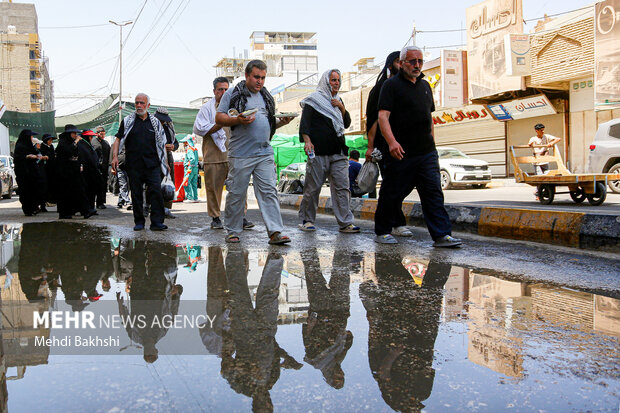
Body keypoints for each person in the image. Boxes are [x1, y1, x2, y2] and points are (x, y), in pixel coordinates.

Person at [374, 45, 462, 247]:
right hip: (401, 152)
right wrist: (392, 142)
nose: (417, 65)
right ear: (402, 62)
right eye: (412, 61)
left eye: (420, 61)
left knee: (433, 193)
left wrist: (432, 142)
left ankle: (441, 235)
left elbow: (429, 118)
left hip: (426, 153)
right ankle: (383, 231)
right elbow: (382, 117)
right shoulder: (391, 86)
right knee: (392, 192)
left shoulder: (425, 86)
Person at [215, 60, 294, 244]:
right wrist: (238, 121)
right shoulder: (233, 94)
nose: (260, 81)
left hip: (264, 153)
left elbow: (269, 122)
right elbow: (219, 117)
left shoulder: (266, 96)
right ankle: (233, 231)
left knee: (269, 192)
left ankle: (275, 232)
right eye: (256, 77)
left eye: (263, 78)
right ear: (247, 76)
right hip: (241, 154)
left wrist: (283, 121)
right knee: (236, 193)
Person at [297, 69, 360, 233]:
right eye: (333, 80)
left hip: (338, 151)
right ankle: (307, 220)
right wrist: (307, 141)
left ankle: (345, 222)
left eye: (338, 80)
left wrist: (341, 108)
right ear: (326, 82)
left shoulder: (338, 100)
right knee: (313, 187)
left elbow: (346, 123)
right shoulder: (314, 100)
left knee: (342, 187)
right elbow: (305, 123)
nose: (336, 83)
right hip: (318, 152)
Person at [111, 93, 170, 231]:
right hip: (134, 165)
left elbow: (162, 144)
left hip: (152, 165)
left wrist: (165, 162)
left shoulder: (155, 123)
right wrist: (114, 156)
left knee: (156, 192)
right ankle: (139, 222)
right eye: (137, 103)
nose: (139, 105)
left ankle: (157, 222)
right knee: (136, 194)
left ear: (148, 105)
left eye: (142, 103)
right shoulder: (127, 121)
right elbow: (118, 139)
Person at [54, 124, 93, 219]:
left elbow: (77, 154)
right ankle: (66, 213)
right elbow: (68, 152)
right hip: (65, 173)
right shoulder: (62, 143)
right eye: (73, 133)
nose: (76, 135)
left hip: (74, 171)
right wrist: (75, 142)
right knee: (66, 193)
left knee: (81, 190)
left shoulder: (74, 143)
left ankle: (85, 211)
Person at [154, 107, 178, 219]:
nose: (163, 122)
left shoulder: (169, 128)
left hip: (168, 157)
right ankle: (151, 206)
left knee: (168, 183)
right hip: (155, 156)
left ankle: (166, 208)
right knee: (155, 183)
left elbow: (176, 143)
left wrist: (172, 147)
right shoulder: (151, 127)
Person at [13, 129, 42, 216]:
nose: (32, 138)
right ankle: (28, 210)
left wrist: (37, 155)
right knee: (25, 191)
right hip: (24, 174)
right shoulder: (19, 146)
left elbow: (37, 154)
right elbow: (17, 158)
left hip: (32, 173)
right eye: (31, 136)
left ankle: (34, 207)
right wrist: (27, 156)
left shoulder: (30, 146)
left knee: (34, 190)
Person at [78, 130, 102, 215]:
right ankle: (87, 209)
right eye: (90, 136)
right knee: (87, 191)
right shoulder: (81, 145)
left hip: (92, 172)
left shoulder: (88, 145)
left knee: (92, 190)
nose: (91, 138)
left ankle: (91, 207)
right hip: (86, 172)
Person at [92, 126, 111, 209]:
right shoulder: (93, 142)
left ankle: (101, 202)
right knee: (95, 185)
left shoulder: (106, 143)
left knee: (102, 185)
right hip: (96, 168)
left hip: (104, 168)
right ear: (97, 134)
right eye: (101, 134)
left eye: (104, 134)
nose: (103, 136)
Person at [179, 134, 200, 202]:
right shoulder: (195, 149)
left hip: (190, 169)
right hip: (195, 168)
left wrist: (189, 167)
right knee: (194, 183)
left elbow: (192, 159)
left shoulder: (189, 150)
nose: (183, 144)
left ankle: (189, 198)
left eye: (184, 142)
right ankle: (195, 198)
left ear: (187, 142)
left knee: (186, 182)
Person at [40, 133, 57, 205]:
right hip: (45, 169)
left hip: (52, 168)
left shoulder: (51, 146)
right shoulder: (42, 147)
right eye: (49, 140)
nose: (51, 141)